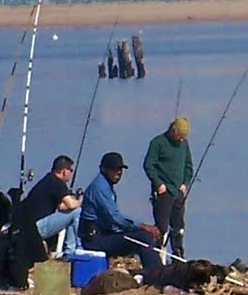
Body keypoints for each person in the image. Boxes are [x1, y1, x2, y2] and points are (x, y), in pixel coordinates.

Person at [79, 151, 163, 275]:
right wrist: (143, 226)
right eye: (113, 170)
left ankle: (155, 270)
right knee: (144, 237)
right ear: (103, 169)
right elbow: (115, 217)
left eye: (120, 170)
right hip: (95, 240)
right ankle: (156, 274)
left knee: (143, 235)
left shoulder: (105, 185)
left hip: (104, 233)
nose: (118, 173)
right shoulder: (100, 187)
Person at [143, 117, 194, 258]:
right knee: (162, 229)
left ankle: (178, 256)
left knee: (178, 228)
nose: (182, 140)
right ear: (173, 130)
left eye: (184, 137)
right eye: (180, 136)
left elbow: (189, 166)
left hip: (178, 192)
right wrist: (158, 184)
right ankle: (159, 257)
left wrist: (185, 183)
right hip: (163, 192)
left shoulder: (184, 145)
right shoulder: (158, 143)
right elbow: (148, 165)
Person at [23, 155, 82, 255]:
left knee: (73, 212)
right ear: (64, 171)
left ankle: (69, 249)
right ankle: (74, 249)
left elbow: (61, 206)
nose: (71, 173)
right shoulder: (57, 183)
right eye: (70, 170)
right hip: (37, 227)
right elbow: (71, 205)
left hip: (29, 227)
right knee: (77, 211)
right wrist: (81, 200)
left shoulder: (48, 180)